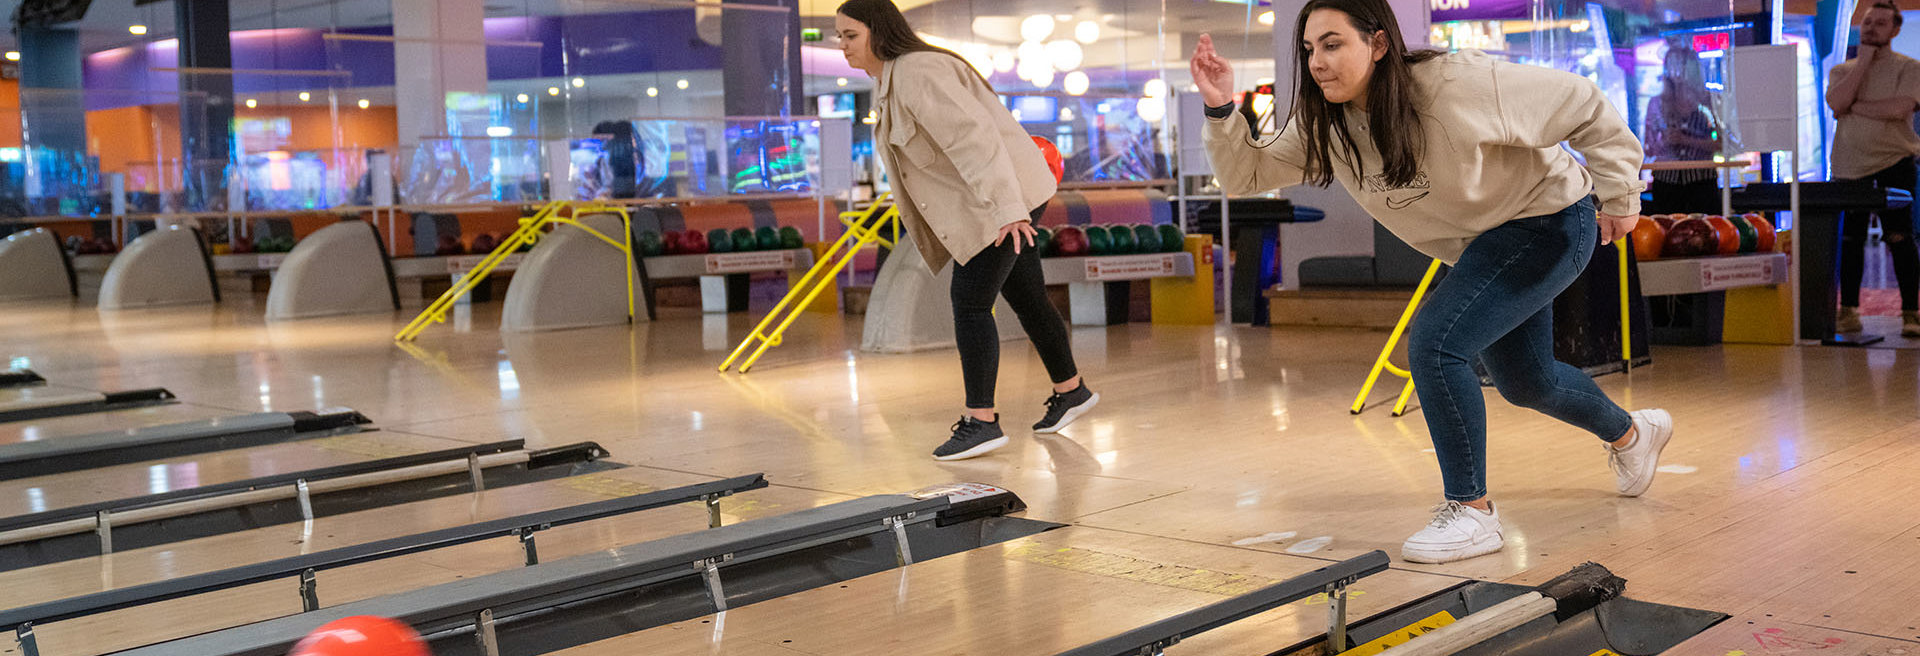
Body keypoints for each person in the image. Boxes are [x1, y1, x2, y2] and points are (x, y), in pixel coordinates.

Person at [1193, 0, 1673, 564]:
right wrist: (1222, 108)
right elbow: (1245, 173)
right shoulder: (1326, 123)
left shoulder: (1456, 84)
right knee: (1527, 382)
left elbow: (1585, 106)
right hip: (1483, 247)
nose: (1317, 62)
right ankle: (1633, 435)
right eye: (1309, 49)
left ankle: (1473, 512)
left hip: (1550, 222)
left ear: (1376, 44)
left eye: (1332, 43)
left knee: (1437, 344)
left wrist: (1620, 195)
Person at [835, 0, 1099, 461]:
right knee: (1025, 294)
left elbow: (973, 139)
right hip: (999, 198)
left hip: (1003, 199)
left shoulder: (918, 72)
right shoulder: (891, 82)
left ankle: (982, 421)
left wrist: (1008, 210)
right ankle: (1071, 390)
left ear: (878, 31)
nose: (842, 46)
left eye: (850, 35)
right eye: (838, 37)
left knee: (970, 300)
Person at [1826, 0, 1920, 337]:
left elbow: (1900, 108)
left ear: (1895, 30)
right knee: (1849, 241)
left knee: (1900, 239)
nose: (1871, 28)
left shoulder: (1909, 68)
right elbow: (1837, 103)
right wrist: (1862, 64)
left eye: (1880, 23)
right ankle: (1848, 310)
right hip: (1849, 167)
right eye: (1867, 22)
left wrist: (1855, 106)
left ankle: (1911, 313)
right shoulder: (1843, 71)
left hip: (1894, 164)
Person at [1642, 46, 1724, 215]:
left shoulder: (1709, 101)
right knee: (1668, 232)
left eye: (1680, 64)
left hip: (1702, 180)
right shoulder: (1656, 103)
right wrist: (1663, 142)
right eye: (1670, 64)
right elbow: (1648, 147)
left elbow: (1723, 143)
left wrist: (1687, 140)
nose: (1675, 70)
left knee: (1704, 232)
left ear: (1692, 68)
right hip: (1666, 181)